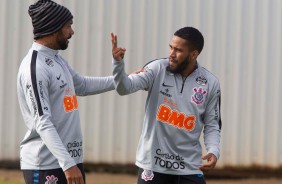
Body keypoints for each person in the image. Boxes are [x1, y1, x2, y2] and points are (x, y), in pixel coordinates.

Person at [17, 0, 115, 183]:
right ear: (53, 27)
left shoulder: (56, 59)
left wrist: (122, 80)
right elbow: (42, 122)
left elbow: (82, 85)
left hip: (69, 161)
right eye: (68, 26)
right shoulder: (35, 67)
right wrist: (68, 164)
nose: (72, 32)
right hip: (47, 165)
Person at [111, 27, 222, 184]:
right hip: (153, 166)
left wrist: (213, 150)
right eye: (171, 47)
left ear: (194, 54)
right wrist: (118, 64)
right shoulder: (157, 69)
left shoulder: (210, 83)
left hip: (189, 167)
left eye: (178, 50)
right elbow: (124, 88)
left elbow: (212, 124)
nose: (171, 54)